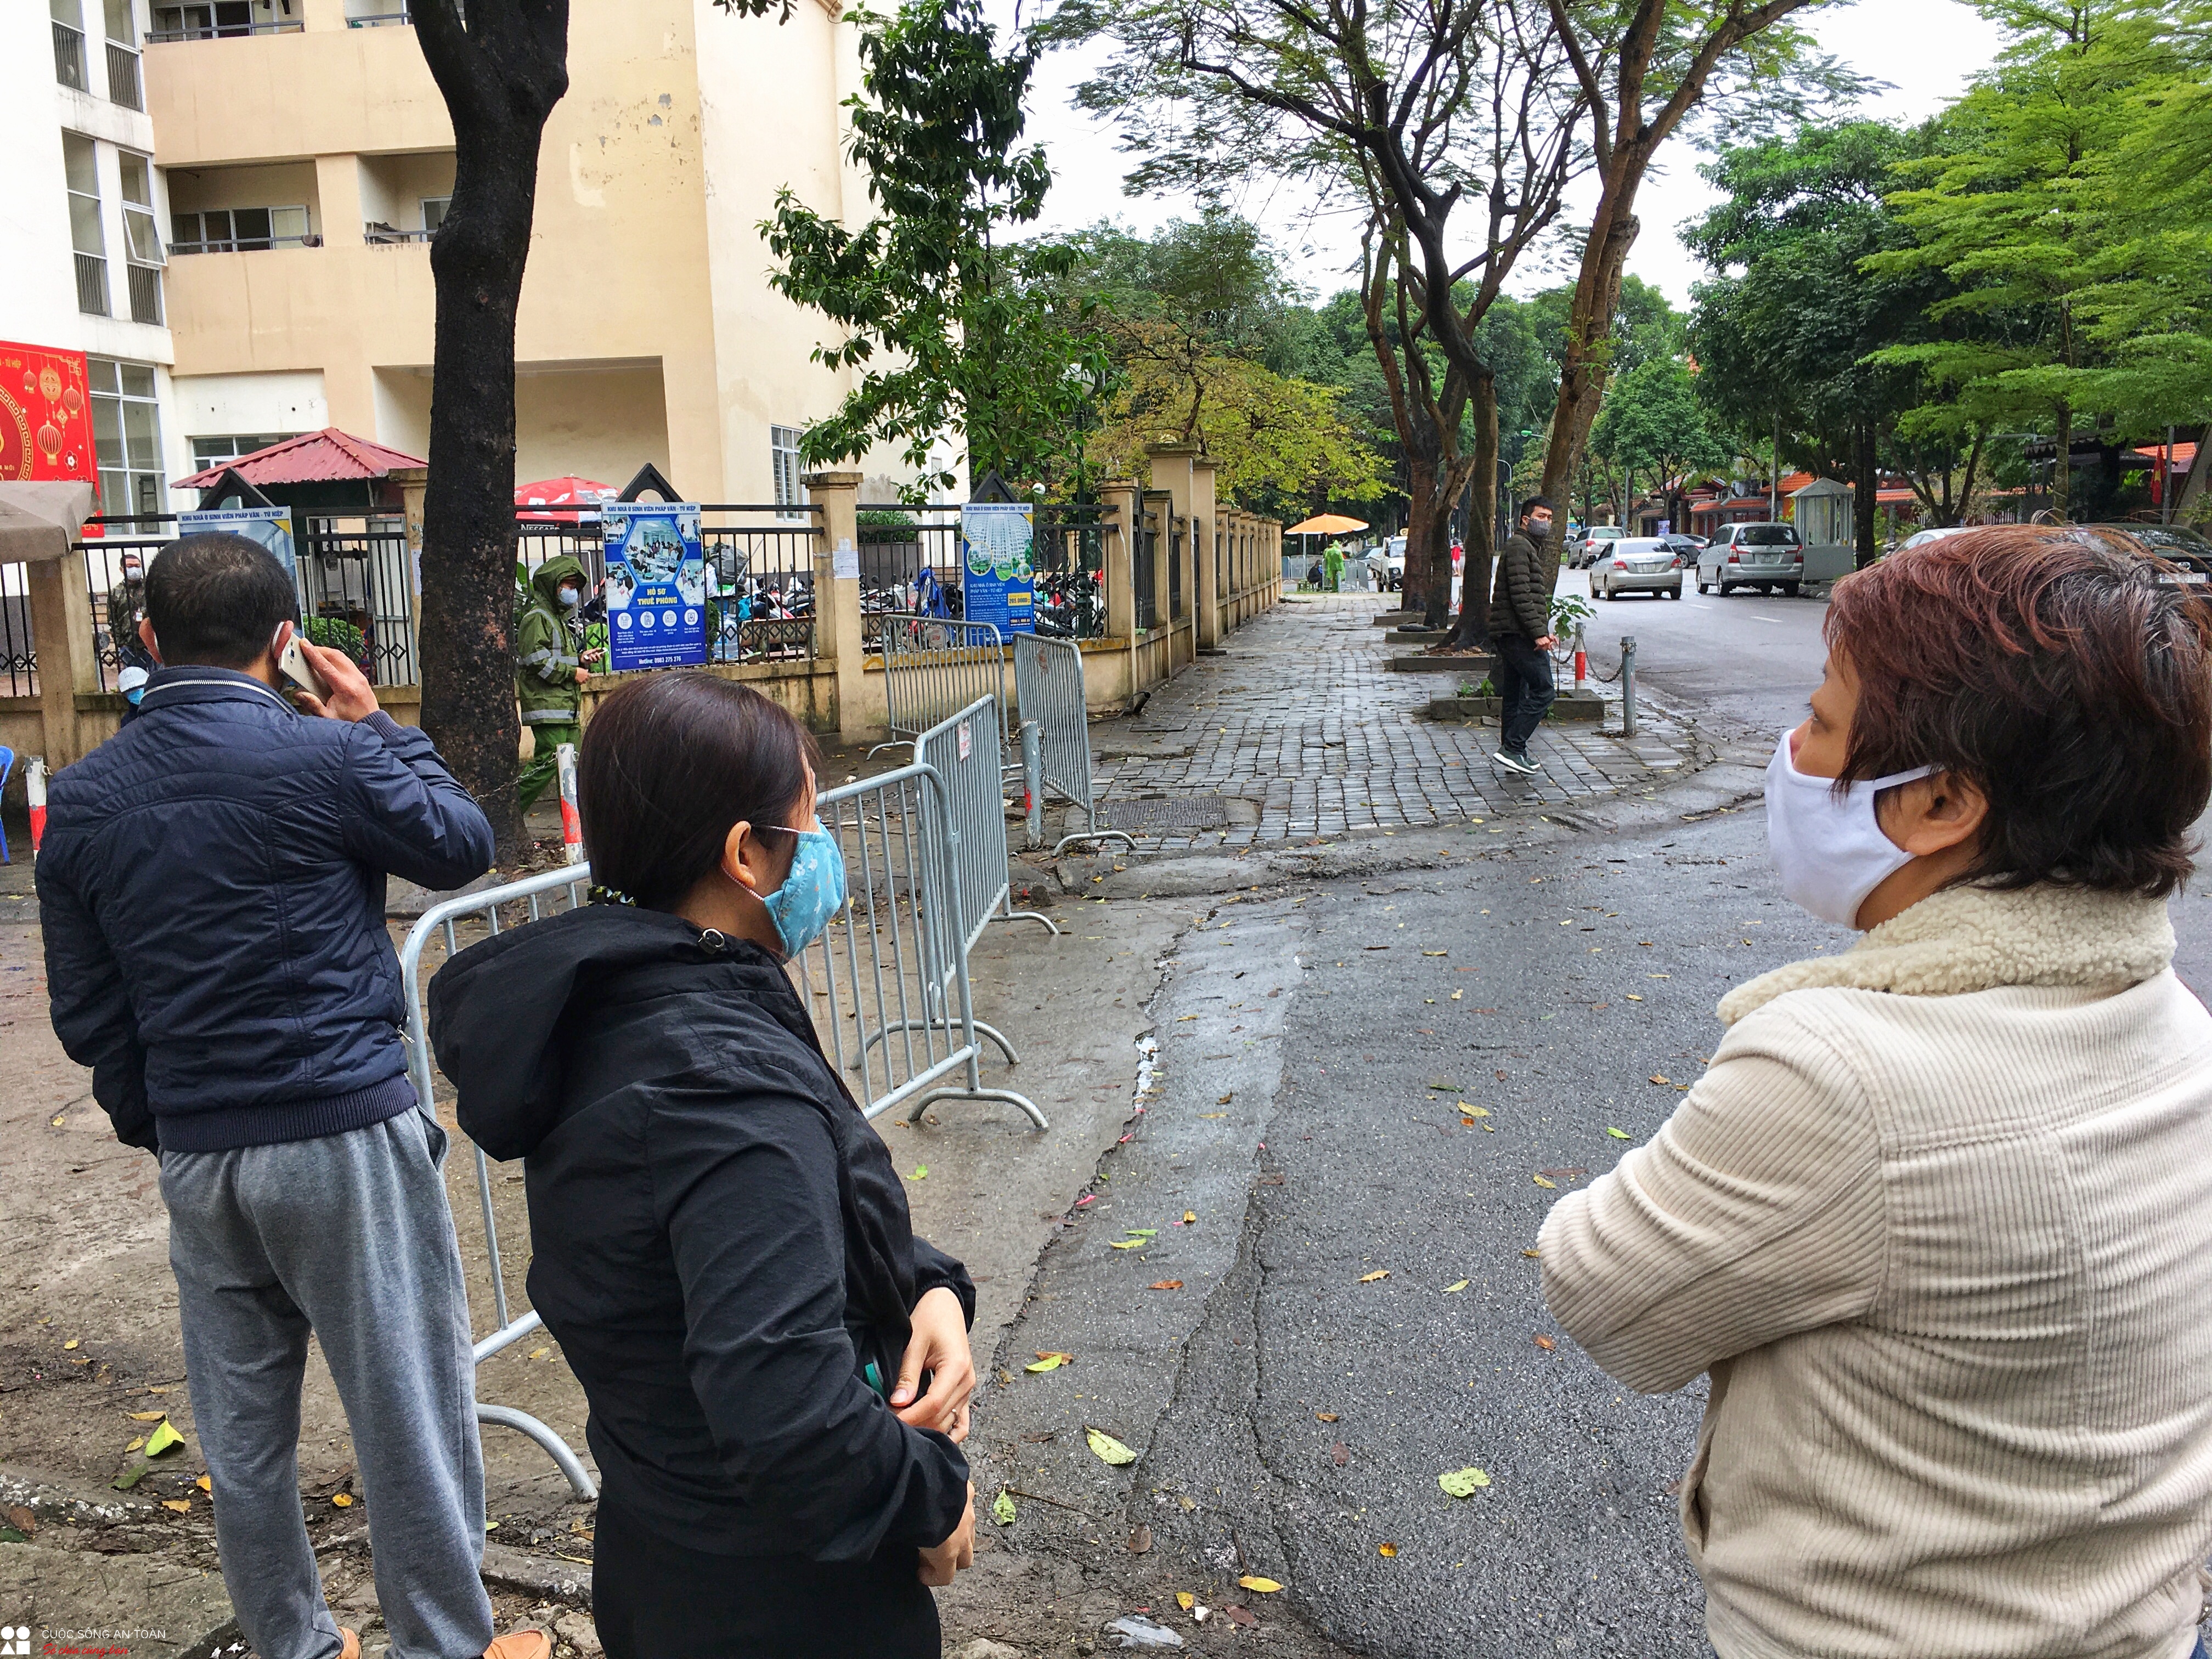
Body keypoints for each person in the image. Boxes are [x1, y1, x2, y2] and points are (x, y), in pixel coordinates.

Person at [1539, 528, 2212, 1659]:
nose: (1791, 750)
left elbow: (1603, 1289)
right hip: (2143, 1623)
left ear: (1942, 802)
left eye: (1820, 721)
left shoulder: (1837, 1070)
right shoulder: (2167, 1016)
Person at [34, 534, 538, 1659]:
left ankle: (291, 1641)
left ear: (149, 640)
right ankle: (440, 1644)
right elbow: (461, 845)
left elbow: (87, 1013)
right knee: (406, 1410)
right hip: (343, 1128)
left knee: (244, 1436)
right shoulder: (331, 754)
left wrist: (169, 1122)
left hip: (201, 1153)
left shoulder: (84, 796)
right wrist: (378, 726)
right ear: (284, 641)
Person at [427, 672, 979, 1659]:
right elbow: (790, 1416)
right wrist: (932, 1498)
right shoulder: (720, 1088)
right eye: (809, 818)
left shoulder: (625, 1000)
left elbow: (761, 1227)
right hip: (783, 1600)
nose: (825, 845)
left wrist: (924, 1281)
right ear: (745, 854)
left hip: (662, 1550)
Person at [515, 554, 602, 812]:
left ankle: (576, 820)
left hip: (566, 707)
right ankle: (508, 812)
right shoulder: (537, 618)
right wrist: (572, 673)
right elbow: (536, 660)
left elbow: (554, 658)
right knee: (549, 763)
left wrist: (581, 659)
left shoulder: (556, 619)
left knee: (572, 766)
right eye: (568, 586)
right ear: (553, 586)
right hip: (549, 707)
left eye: (575, 587)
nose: (572, 592)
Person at [1488, 495, 1559, 776]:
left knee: (1515, 696)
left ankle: (1513, 753)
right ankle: (1513, 747)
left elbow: (1528, 597)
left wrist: (1542, 631)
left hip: (1513, 632)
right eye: (1541, 517)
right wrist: (1539, 634)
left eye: (1550, 518)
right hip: (1517, 634)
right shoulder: (1520, 547)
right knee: (1544, 690)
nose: (1546, 522)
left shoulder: (1525, 546)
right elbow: (1521, 596)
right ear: (1526, 520)